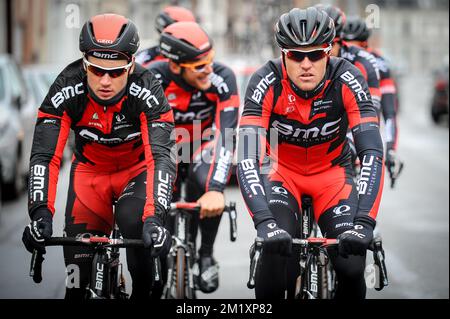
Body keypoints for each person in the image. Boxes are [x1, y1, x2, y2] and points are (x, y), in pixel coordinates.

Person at [22, 14, 176, 299]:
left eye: (116, 72)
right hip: (89, 177)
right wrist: (40, 212)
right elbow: (45, 156)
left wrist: (156, 217)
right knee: (75, 285)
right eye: (96, 69)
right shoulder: (66, 87)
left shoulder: (148, 89)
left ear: (130, 66)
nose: (105, 80)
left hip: (136, 173)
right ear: (84, 63)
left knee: (137, 226)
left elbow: (161, 157)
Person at [237, 7, 385, 299]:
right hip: (283, 175)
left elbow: (371, 152)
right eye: (295, 54)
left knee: (353, 266)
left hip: (332, 176)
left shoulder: (348, 78)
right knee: (277, 258)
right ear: (283, 55)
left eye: (316, 54)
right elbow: (246, 155)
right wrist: (264, 222)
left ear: (329, 53)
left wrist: (364, 223)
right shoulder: (264, 80)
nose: (306, 64)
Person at [148, 21, 239, 294]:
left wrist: (215, 190)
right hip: (165, 150)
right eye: (199, 66)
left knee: (207, 180)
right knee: (163, 209)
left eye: (210, 60)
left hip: (202, 147)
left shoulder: (222, 77)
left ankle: (206, 254)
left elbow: (227, 136)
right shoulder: (153, 78)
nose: (209, 69)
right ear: (175, 66)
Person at [343, 17, 403, 185]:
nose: (351, 51)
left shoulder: (379, 64)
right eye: (347, 44)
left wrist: (390, 149)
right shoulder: (334, 56)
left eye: (356, 45)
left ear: (365, 45)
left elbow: (389, 112)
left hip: (364, 123)